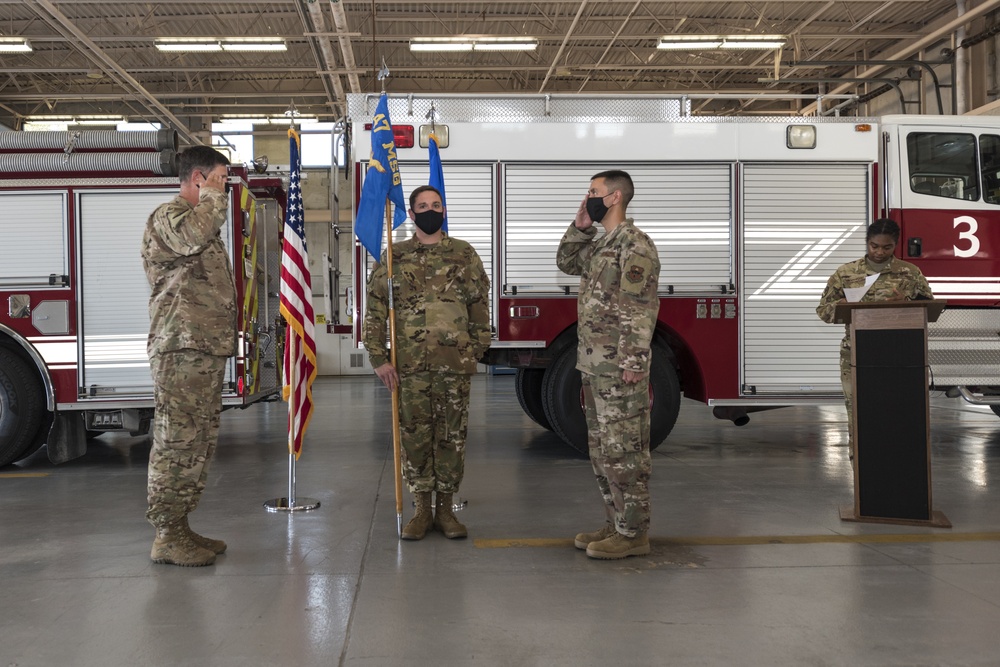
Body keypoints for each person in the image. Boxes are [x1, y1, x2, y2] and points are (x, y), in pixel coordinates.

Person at [362, 185, 491, 540]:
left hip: (454, 366)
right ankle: (421, 510)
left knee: (452, 437)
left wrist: (474, 350)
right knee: (415, 437)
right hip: (410, 368)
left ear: (444, 211)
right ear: (413, 214)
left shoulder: (464, 254)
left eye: (437, 204)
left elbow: (480, 305)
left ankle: (446, 511)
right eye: (423, 206)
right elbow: (375, 310)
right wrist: (378, 357)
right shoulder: (394, 258)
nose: (430, 210)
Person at [556, 170, 661, 560]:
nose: (589, 198)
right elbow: (566, 261)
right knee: (601, 451)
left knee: (625, 452)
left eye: (594, 192)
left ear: (615, 197)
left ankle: (634, 533)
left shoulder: (634, 246)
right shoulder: (602, 244)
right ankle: (616, 521)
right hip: (595, 366)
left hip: (619, 369)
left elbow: (638, 308)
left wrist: (633, 361)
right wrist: (580, 226)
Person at [141, 146, 235, 567]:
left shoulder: (200, 223)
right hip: (180, 349)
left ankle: (179, 525)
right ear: (198, 178)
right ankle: (166, 533)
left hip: (201, 351)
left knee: (197, 440)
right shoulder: (170, 217)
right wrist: (213, 198)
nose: (225, 187)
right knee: (176, 440)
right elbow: (192, 237)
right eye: (221, 178)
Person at [816, 218, 933, 459]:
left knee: (896, 409)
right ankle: (860, 461)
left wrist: (906, 303)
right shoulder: (846, 273)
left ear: (895, 245)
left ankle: (896, 460)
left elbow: (929, 309)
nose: (879, 252)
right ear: (867, 243)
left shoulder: (910, 273)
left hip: (898, 352)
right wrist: (843, 305)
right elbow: (823, 311)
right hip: (856, 353)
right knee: (858, 409)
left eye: (886, 247)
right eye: (874, 246)